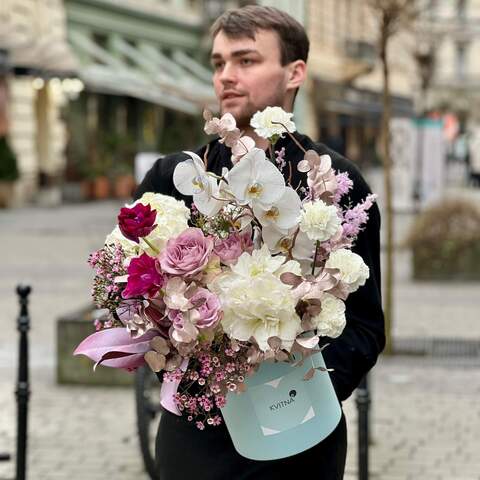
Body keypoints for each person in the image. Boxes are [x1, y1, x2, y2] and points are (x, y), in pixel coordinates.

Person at [134, 5, 385, 479]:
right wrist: (186, 358)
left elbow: (366, 326)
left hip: (300, 429)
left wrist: (299, 383)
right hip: (196, 433)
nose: (227, 75)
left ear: (295, 73)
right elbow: (134, 294)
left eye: (246, 61)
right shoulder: (173, 178)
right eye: (218, 63)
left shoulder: (338, 184)